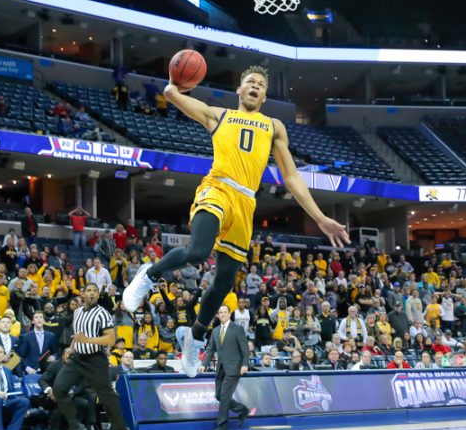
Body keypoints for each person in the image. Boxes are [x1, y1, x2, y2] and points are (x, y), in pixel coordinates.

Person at [121, 65, 349, 378]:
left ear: (265, 95)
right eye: (249, 82)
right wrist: (173, 87)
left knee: (225, 281)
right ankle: (150, 274)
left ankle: (195, 336)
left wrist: (320, 218)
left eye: (260, 84)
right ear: (239, 90)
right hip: (218, 187)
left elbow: (292, 176)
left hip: (246, 202)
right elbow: (175, 97)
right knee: (199, 252)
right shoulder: (219, 115)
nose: (255, 86)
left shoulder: (274, 127)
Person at [52, 283, 128, 430]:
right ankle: (75, 426)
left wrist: (88, 340)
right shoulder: (77, 312)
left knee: (107, 397)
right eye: (89, 290)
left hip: (95, 360)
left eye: (95, 291)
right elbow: (78, 335)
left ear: (98, 295)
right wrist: (70, 348)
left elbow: (109, 339)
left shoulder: (102, 313)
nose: (92, 293)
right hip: (77, 359)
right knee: (58, 388)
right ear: (82, 294)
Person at [204, 306, 252, 430]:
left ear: (229, 314)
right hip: (220, 368)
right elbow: (210, 350)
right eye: (220, 312)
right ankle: (242, 410)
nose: (223, 314)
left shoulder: (237, 329)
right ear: (218, 315)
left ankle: (222, 425)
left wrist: (245, 365)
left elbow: (245, 349)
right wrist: (204, 364)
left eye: (225, 312)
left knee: (225, 397)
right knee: (219, 395)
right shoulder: (215, 331)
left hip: (234, 368)